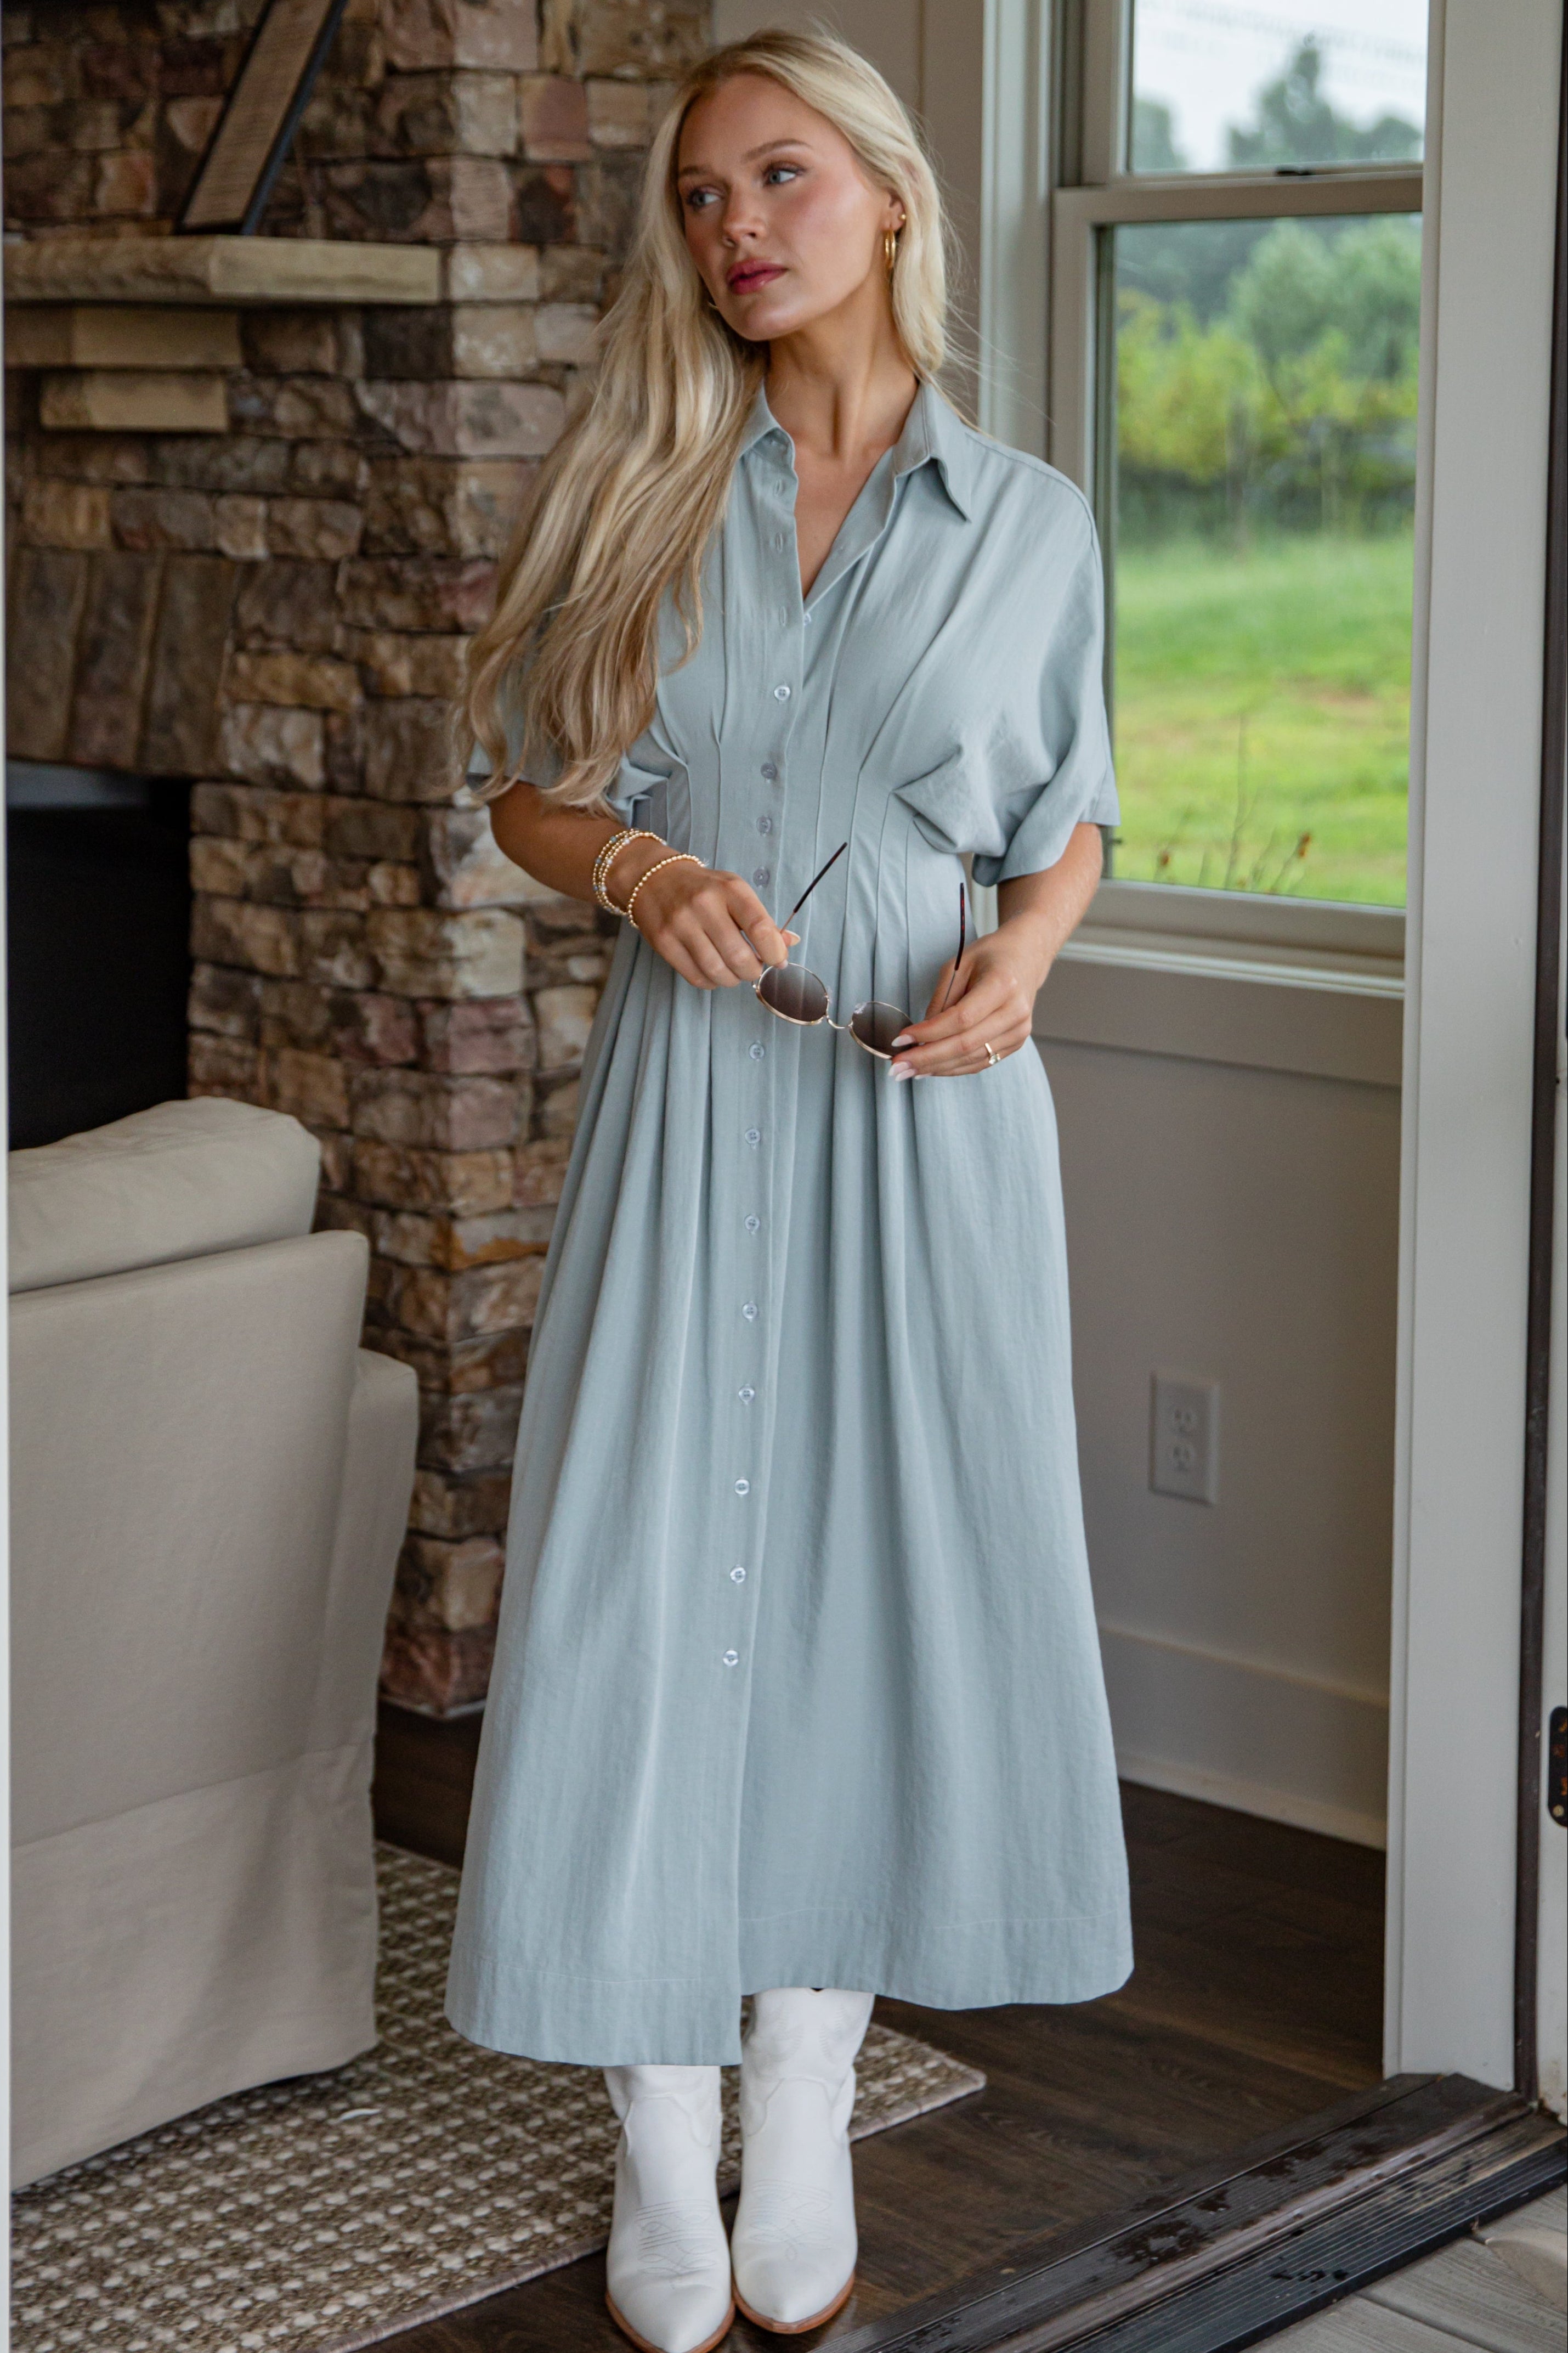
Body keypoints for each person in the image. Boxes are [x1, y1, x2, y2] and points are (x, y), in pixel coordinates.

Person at [445, 28, 1133, 2352]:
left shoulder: (1030, 520)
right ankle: (656, 2121)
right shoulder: (645, 486)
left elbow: (1068, 822)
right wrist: (634, 859)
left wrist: (1027, 963)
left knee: (863, 1603)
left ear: (892, 198)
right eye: (704, 198)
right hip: (693, 1115)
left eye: (780, 178)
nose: (737, 229)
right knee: (644, 1597)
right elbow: (530, 792)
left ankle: (800, 2086)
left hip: (929, 1139)